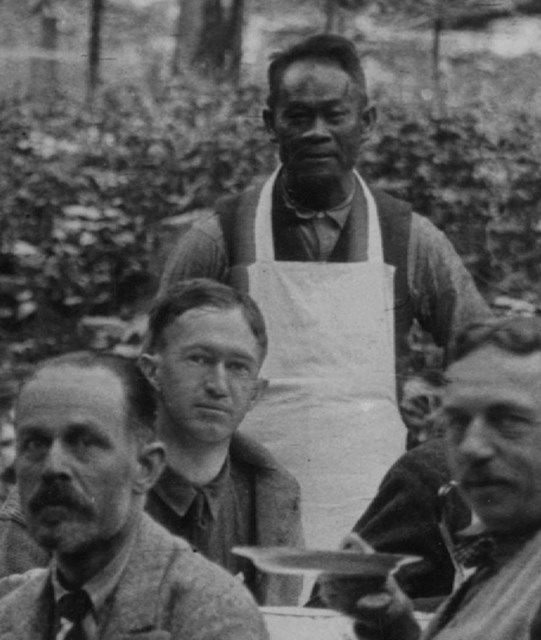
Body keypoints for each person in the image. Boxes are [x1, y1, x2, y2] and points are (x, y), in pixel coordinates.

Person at [160, 33, 490, 547]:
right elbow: (156, 376)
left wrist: (445, 447)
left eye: (335, 115)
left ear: (367, 122)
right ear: (271, 124)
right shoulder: (220, 238)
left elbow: (487, 358)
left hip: (376, 512)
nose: (317, 133)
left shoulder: (409, 239)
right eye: (298, 117)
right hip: (237, 510)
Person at [320, 316, 541, 640]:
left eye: (509, 420)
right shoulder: (512, 545)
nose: (472, 446)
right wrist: (391, 624)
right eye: (458, 421)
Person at [0, 279, 303, 606]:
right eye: (198, 359)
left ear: (256, 392)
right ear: (150, 371)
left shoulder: (273, 497)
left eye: (238, 367)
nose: (218, 385)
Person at [0, 351, 267, 640]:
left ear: (146, 467)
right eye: (34, 443)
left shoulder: (211, 616)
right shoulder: (12, 615)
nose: (52, 467)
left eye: (85, 443)